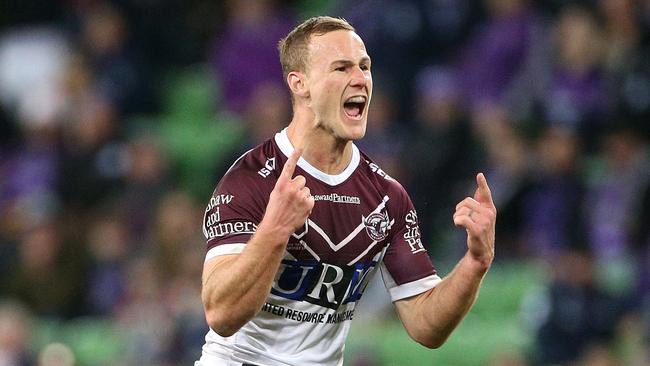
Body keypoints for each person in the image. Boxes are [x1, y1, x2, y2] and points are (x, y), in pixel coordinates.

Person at [196, 16, 497, 366]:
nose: (360, 79)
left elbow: (426, 325)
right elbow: (221, 314)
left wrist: (475, 263)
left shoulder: (387, 196)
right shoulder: (251, 179)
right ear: (299, 83)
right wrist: (275, 230)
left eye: (365, 67)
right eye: (341, 68)